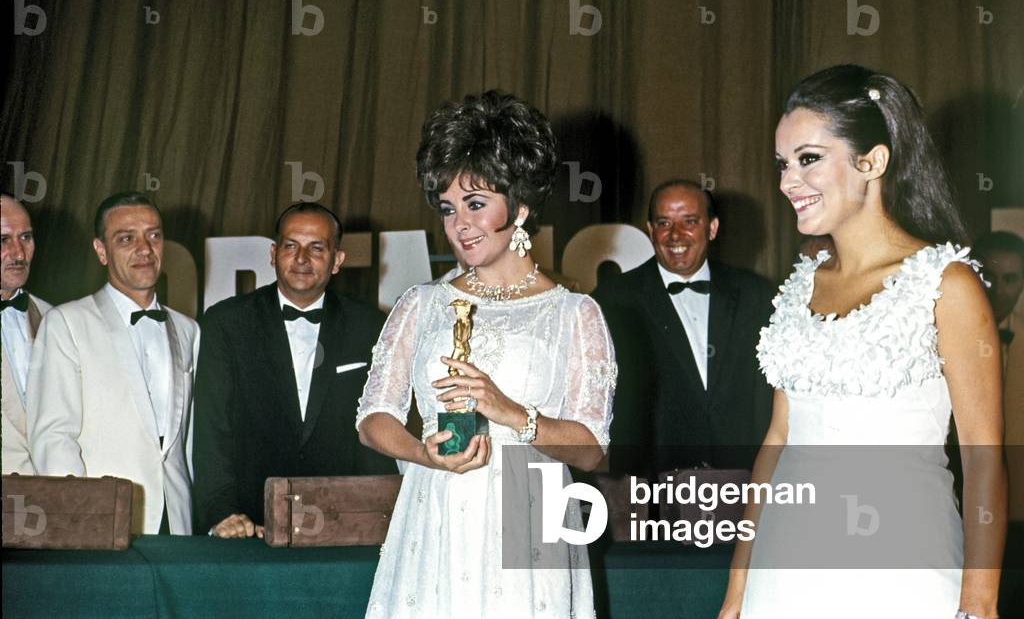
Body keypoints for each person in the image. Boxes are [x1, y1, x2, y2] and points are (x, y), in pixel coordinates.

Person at [719, 65, 1006, 619]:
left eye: (808, 159)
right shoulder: (801, 285)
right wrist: (738, 592)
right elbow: (776, 443)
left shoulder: (946, 285)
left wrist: (979, 603)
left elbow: (985, 459)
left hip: (904, 566)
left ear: (872, 161)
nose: (786, 183)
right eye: (782, 164)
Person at [356, 91, 615, 617]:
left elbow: (591, 450)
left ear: (519, 207)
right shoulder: (422, 303)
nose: (460, 225)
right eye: (449, 209)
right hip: (435, 512)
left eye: (476, 205)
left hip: (532, 517)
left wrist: (507, 411)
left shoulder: (575, 314)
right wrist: (420, 453)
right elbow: (372, 418)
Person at [192, 202, 393, 538]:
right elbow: (212, 432)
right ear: (273, 254)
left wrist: (378, 518)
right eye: (291, 246)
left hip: (344, 527)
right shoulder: (226, 322)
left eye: (317, 247)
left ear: (337, 260)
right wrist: (221, 513)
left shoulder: (370, 325)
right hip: (247, 527)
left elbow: (376, 433)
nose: (302, 258)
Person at [28, 192, 198, 535]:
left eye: (154, 235)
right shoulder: (67, 323)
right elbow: (53, 437)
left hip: (177, 523)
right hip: (102, 522)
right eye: (126, 238)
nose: (144, 248)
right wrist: (81, 523)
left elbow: (188, 442)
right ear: (101, 250)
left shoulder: (188, 329)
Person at [591, 180, 775, 474]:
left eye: (689, 221)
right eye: (664, 223)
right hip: (651, 487)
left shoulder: (758, 296)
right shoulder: (610, 301)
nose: (675, 234)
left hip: (743, 482)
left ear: (712, 228)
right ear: (651, 230)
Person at [973, 230, 1024, 520]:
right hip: (959, 493)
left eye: (1011, 279)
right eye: (989, 277)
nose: (999, 291)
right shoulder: (940, 334)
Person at [1, 193, 51, 474]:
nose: (19, 253)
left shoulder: (54, 319)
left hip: (50, 502)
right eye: (4, 240)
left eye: (26, 238)